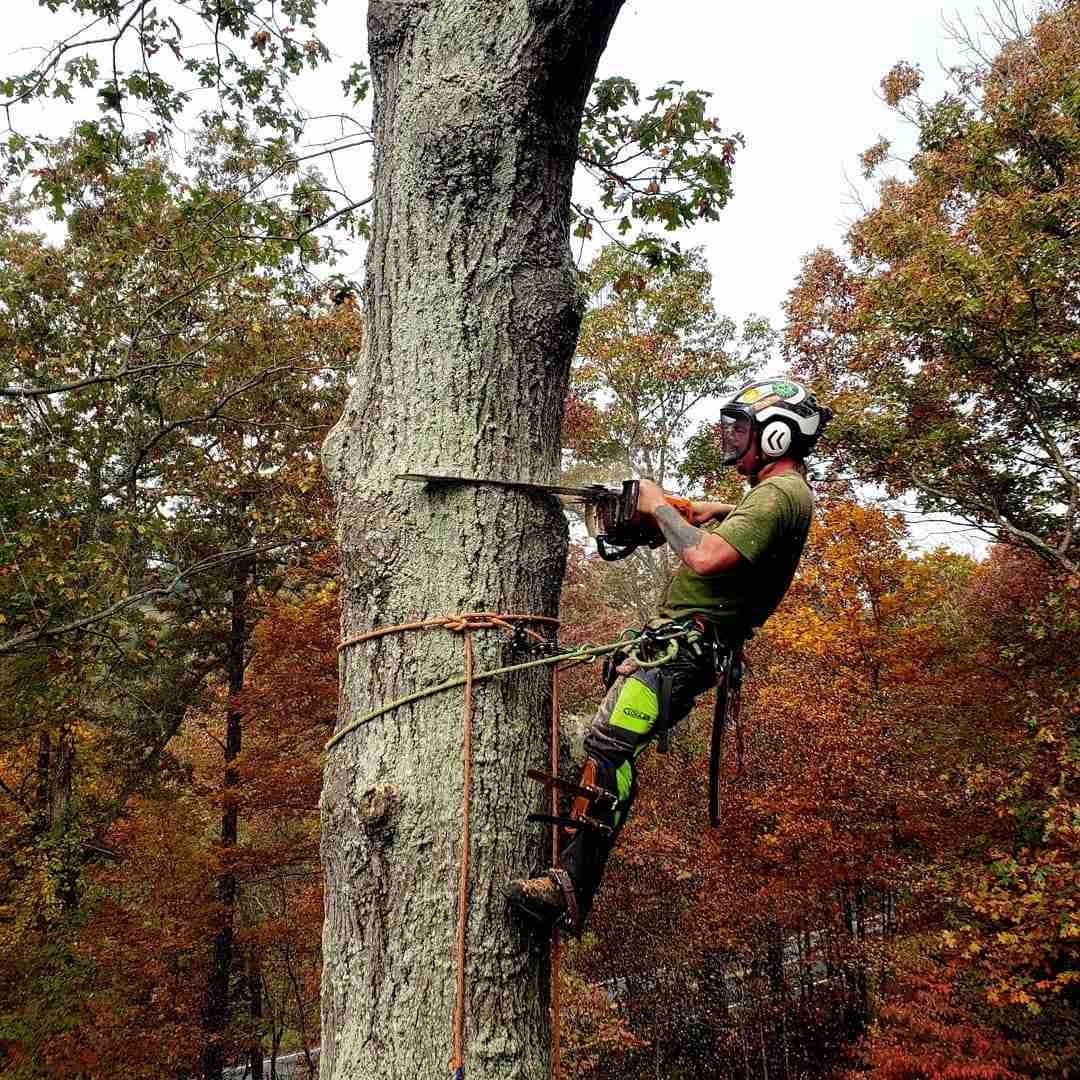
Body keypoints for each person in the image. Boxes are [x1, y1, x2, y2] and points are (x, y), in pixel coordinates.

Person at [506, 378, 832, 936]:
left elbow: (706, 560)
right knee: (601, 744)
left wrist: (661, 509)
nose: (732, 438)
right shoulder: (776, 497)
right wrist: (706, 509)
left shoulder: (780, 494)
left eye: (743, 428)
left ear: (778, 436)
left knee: (608, 745)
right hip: (683, 646)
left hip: (686, 649)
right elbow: (738, 527)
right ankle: (570, 873)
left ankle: (569, 888)